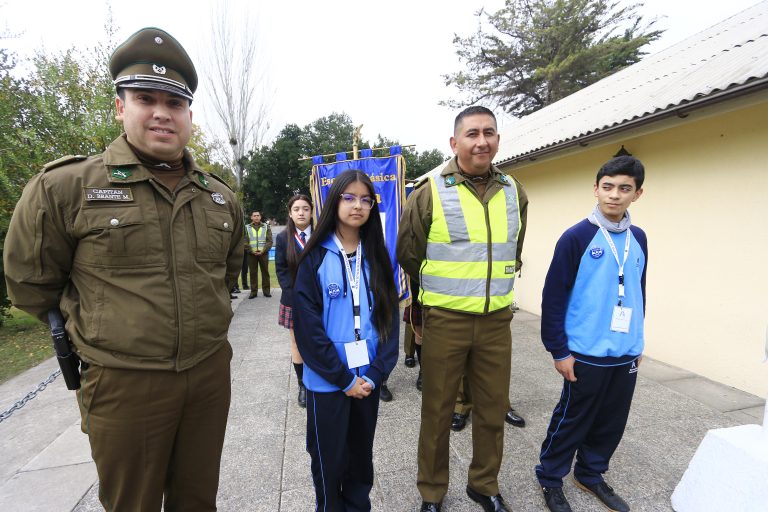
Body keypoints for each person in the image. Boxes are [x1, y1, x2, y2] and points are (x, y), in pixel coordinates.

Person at [3, 27, 243, 511]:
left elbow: (227, 274)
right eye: (145, 99)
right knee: (131, 504)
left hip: (208, 373)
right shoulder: (66, 187)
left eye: (174, 103)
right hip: (124, 382)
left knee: (198, 501)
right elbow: (30, 284)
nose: (161, 112)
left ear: (189, 116)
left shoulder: (219, 196)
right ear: (120, 107)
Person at [397, 106, 528, 512]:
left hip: (496, 322)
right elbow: (409, 254)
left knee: (491, 409)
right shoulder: (430, 191)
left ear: (498, 140)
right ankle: (432, 492)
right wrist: (435, 302)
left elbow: (514, 250)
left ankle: (483, 484)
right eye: (472, 133)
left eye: (489, 132)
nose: (481, 140)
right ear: (455, 143)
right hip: (446, 320)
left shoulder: (514, 191)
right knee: (437, 412)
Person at [536, 156, 647, 512]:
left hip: (625, 351)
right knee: (573, 417)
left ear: (637, 194)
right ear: (596, 188)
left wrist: (638, 340)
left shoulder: (639, 238)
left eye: (624, 189)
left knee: (611, 420)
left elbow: (637, 291)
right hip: (584, 351)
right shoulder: (577, 237)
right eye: (608, 186)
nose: (615, 195)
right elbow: (553, 297)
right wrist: (559, 350)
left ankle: (590, 473)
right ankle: (550, 477)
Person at [293, 169, 399, 511]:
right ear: (334, 201)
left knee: (360, 457)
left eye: (366, 200)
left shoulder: (377, 255)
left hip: (366, 376)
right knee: (328, 458)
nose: (358, 206)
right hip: (328, 381)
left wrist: (376, 373)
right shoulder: (314, 257)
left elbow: (389, 321)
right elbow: (308, 330)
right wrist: (342, 379)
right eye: (349, 198)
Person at [274, 194, 314, 408]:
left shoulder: (320, 234)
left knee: (320, 338)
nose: (301, 212)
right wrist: (295, 293)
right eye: (296, 209)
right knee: (297, 342)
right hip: (293, 299)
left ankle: (321, 377)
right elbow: (281, 269)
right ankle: (302, 385)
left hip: (320, 298)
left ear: (311, 211)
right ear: (290, 213)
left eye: (305, 208)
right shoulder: (282, 238)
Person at [245, 210, 273, 298]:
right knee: (253, 273)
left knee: (265, 272)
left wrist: (263, 251)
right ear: (251, 217)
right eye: (254, 216)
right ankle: (253, 292)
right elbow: (244, 241)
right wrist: (251, 251)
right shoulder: (246, 227)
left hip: (263, 254)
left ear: (260, 217)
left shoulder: (266, 226)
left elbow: (269, 241)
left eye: (258, 215)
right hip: (251, 254)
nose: (256, 217)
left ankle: (266, 291)